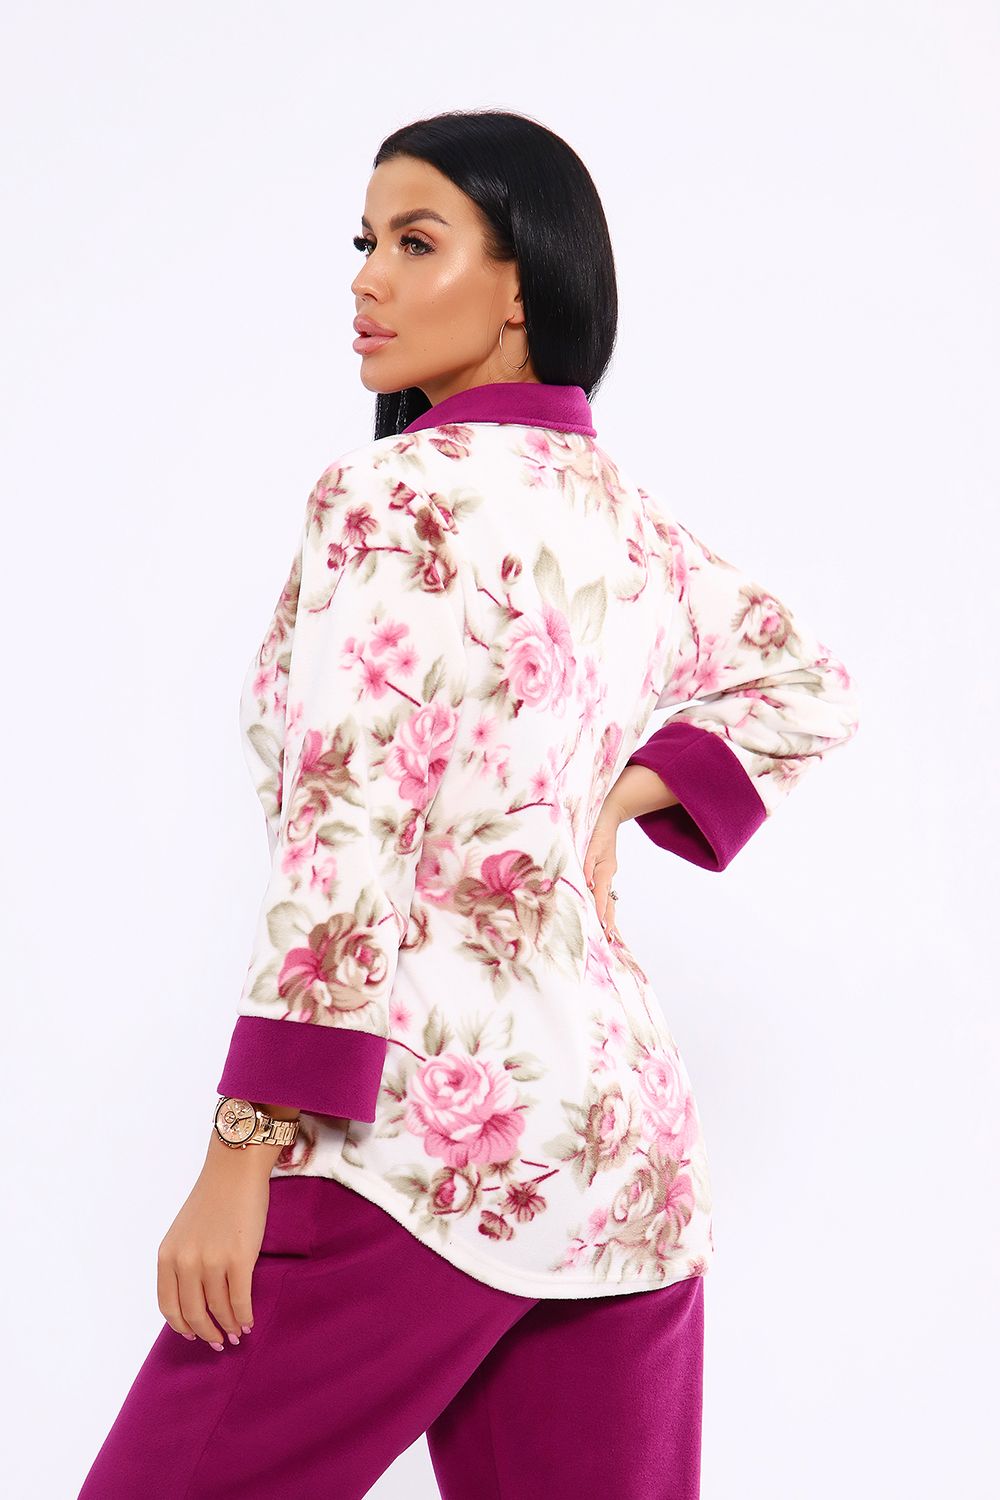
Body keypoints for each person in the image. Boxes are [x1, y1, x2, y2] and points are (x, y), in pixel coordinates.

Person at [77, 108, 861, 1499]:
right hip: (623, 1158)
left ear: (520, 286)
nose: (368, 279)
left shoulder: (389, 497)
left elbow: (346, 830)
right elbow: (805, 682)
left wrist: (241, 1151)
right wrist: (614, 803)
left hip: (417, 1153)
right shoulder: (631, 522)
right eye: (365, 243)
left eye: (416, 241)